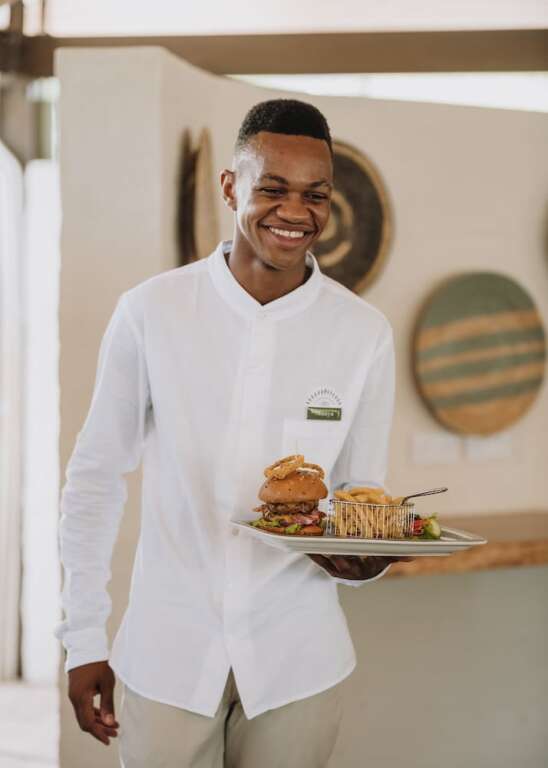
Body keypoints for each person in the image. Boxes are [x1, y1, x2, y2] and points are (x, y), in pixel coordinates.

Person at [57, 98, 408, 768]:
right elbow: (95, 480)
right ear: (229, 187)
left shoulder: (363, 334)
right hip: (169, 653)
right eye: (272, 188)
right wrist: (83, 638)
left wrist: (368, 564)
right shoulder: (152, 312)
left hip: (299, 660)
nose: (294, 211)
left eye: (315, 194)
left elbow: (358, 495)